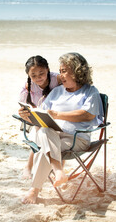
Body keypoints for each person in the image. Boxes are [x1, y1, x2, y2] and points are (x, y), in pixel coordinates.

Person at [18, 52, 104, 204]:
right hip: (53, 136)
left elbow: (87, 115)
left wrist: (57, 114)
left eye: (64, 71)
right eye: (61, 71)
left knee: (45, 146)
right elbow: (42, 114)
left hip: (77, 139)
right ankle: (58, 169)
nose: (60, 75)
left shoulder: (90, 91)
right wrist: (27, 116)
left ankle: (34, 190)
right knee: (44, 132)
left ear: (77, 71)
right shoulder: (57, 91)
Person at [19, 55, 62, 179]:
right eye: (33, 76)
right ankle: (29, 167)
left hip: (57, 116)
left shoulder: (57, 80)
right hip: (38, 119)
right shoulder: (29, 86)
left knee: (55, 134)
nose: (38, 78)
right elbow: (23, 107)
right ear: (28, 75)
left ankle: (58, 168)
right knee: (39, 131)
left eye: (41, 73)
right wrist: (24, 113)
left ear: (48, 69)